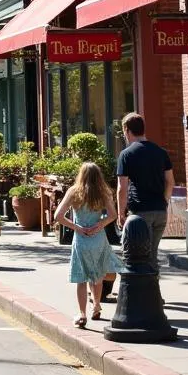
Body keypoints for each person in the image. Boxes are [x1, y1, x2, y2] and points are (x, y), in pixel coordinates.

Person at [55, 161, 124, 327]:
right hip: (98, 237)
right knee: (98, 276)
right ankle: (97, 306)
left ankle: (82, 313)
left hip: (81, 239)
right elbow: (113, 215)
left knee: (82, 278)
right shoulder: (103, 192)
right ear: (98, 176)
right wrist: (99, 225)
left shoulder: (74, 192)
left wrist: (77, 227)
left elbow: (58, 215)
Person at [116, 112, 174, 275]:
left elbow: (122, 188)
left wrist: (121, 213)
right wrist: (164, 201)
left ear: (127, 130)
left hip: (140, 212)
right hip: (160, 211)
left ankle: (142, 295)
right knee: (152, 255)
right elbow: (170, 182)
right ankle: (154, 295)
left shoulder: (126, 154)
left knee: (135, 256)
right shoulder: (161, 152)